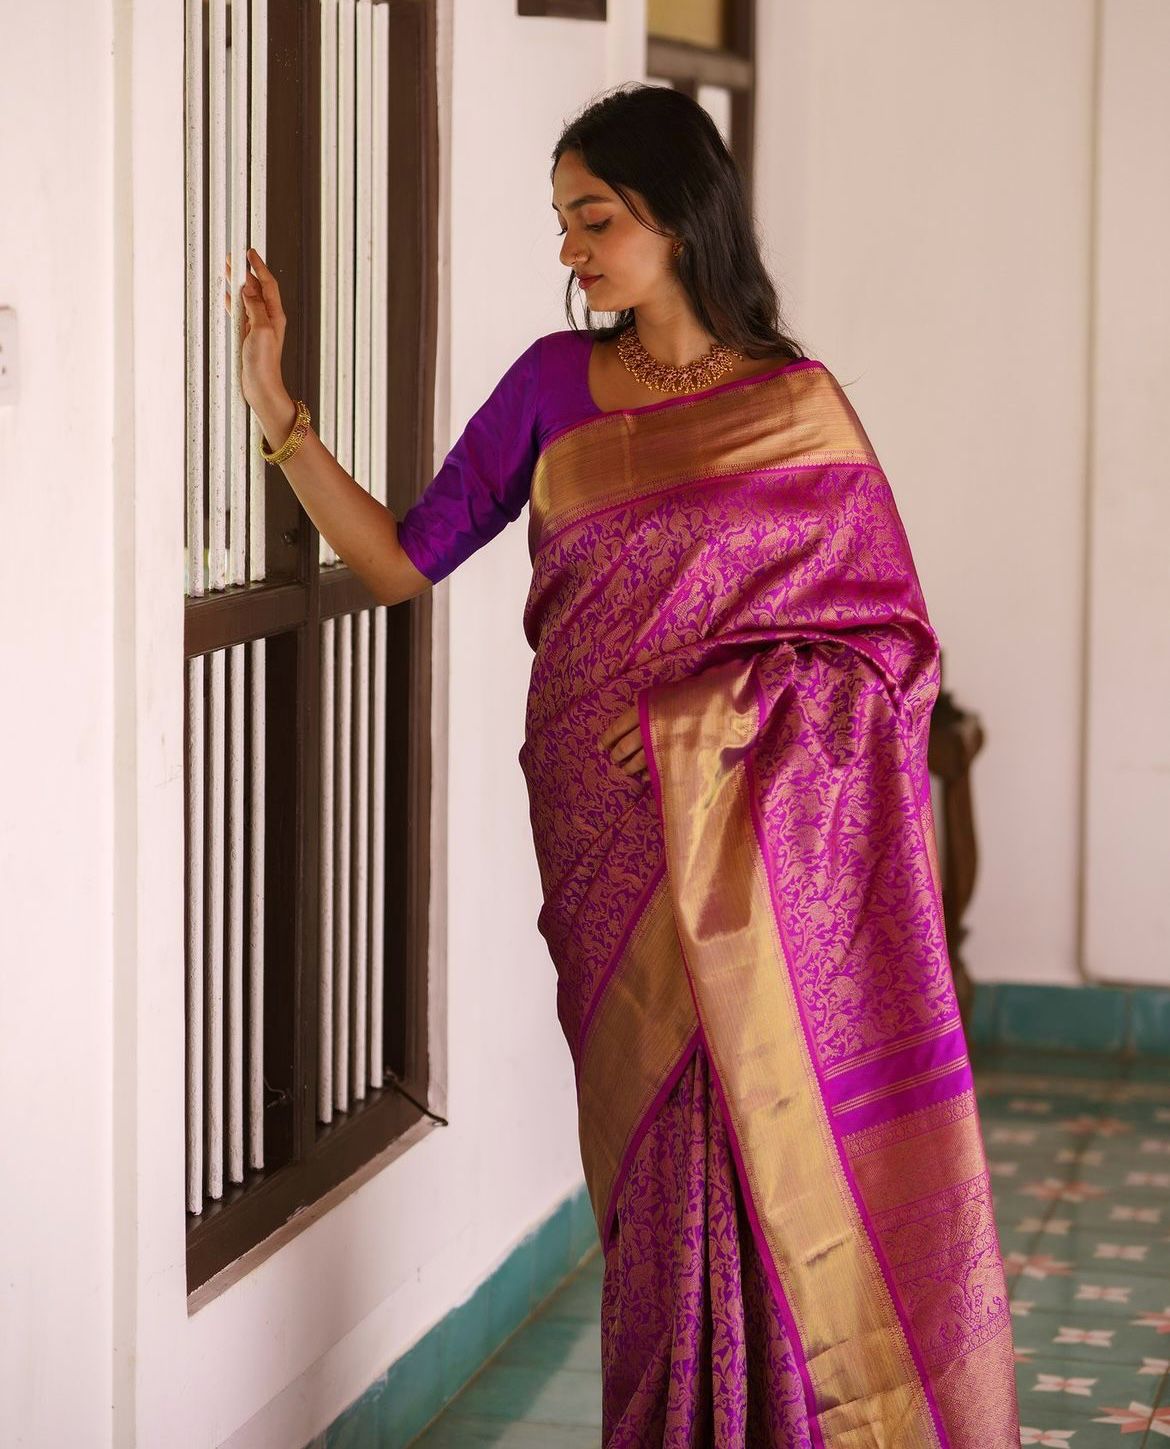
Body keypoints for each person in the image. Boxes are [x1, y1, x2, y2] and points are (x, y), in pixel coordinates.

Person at [227, 81, 1019, 1449]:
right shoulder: (548, 383)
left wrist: (709, 717)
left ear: (678, 214)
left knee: (777, 1136)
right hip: (608, 844)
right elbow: (401, 563)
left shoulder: (798, 409)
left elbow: (890, 654)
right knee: (656, 1180)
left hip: (755, 850)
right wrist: (277, 411)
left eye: (592, 219)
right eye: (562, 223)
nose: (570, 251)